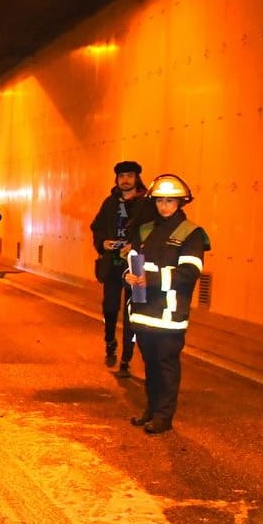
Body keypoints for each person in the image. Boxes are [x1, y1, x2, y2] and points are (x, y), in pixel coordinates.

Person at [124, 174, 209, 435]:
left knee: (166, 364)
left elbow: (188, 273)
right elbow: (134, 261)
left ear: (181, 203)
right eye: (160, 200)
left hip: (169, 313)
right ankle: (151, 409)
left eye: (170, 201)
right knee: (150, 363)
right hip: (143, 311)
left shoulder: (192, 234)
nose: (164, 206)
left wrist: (149, 280)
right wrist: (128, 276)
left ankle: (164, 416)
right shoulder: (146, 230)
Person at [89, 160, 157, 375]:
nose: (125, 180)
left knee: (132, 313)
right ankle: (110, 340)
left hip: (136, 264)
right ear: (117, 179)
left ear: (137, 178)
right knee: (109, 308)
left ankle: (126, 359)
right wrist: (102, 243)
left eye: (129, 176)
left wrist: (135, 246)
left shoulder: (147, 205)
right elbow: (96, 227)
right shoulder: (110, 203)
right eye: (121, 176)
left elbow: (155, 232)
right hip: (112, 264)